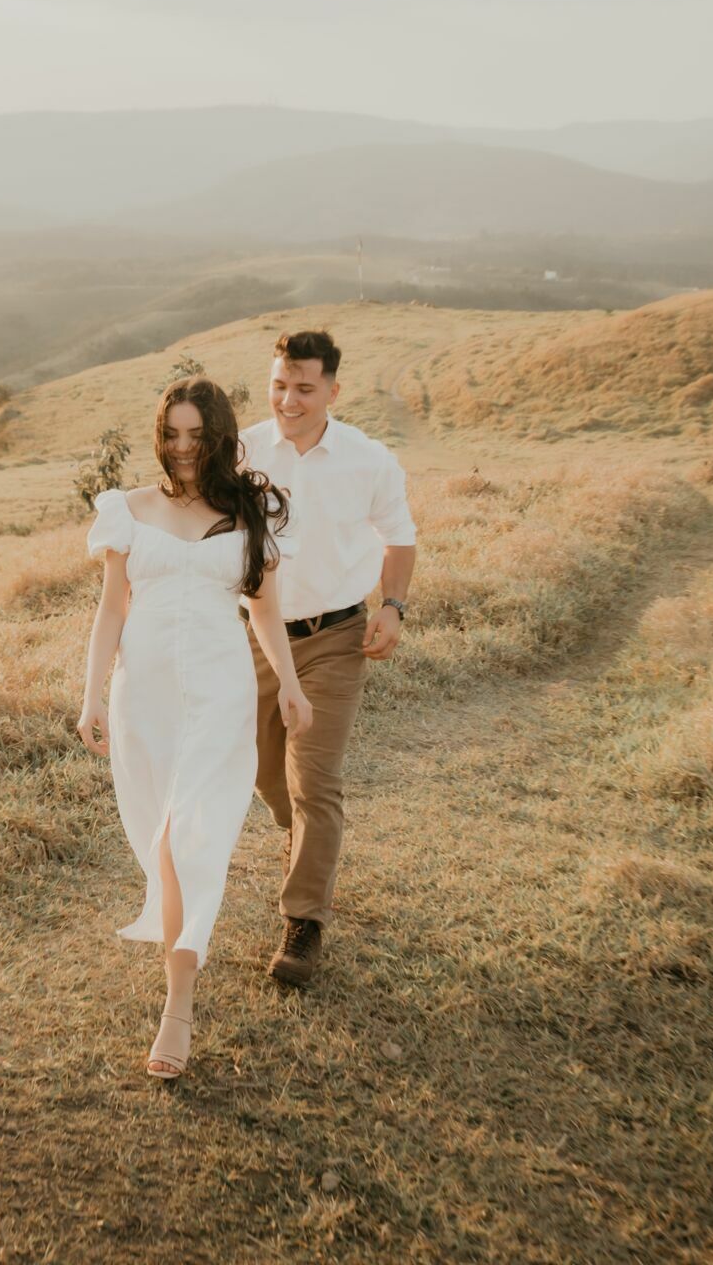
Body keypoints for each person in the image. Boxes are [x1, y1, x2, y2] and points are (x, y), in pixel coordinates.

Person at [77, 377, 312, 1081]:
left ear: (218, 436)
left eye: (196, 436)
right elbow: (111, 611)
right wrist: (91, 695)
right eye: (172, 435)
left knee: (188, 838)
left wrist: (291, 687)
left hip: (218, 692)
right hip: (141, 696)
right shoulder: (127, 510)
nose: (183, 449)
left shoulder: (246, 513)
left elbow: (264, 611)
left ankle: (177, 1004)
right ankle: (178, 966)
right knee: (161, 841)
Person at [239, 328, 417, 986]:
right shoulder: (245, 452)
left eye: (304, 388)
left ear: (333, 391)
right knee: (264, 771)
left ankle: (304, 922)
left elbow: (400, 538)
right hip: (257, 635)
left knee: (314, 777)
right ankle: (307, 843)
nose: (288, 399)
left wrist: (392, 607)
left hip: (337, 638)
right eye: (279, 385)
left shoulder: (368, 460)